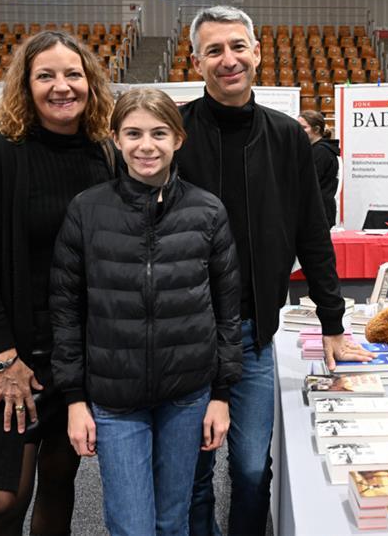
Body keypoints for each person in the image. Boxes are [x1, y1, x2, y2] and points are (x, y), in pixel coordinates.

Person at [176, 5, 372, 536]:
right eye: (214, 50)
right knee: (192, 468)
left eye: (238, 46)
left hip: (253, 333)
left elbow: (312, 232)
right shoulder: (176, 133)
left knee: (248, 466)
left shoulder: (288, 137)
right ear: (197, 62)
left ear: (257, 53)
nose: (228, 59)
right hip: (184, 333)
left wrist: (332, 321)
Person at [50, 88, 242, 535]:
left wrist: (221, 395)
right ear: (116, 138)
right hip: (115, 400)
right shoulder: (86, 209)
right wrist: (75, 400)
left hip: (188, 395)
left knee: (173, 521)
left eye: (158, 133)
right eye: (133, 133)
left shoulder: (207, 210)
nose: (146, 145)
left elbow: (226, 309)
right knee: (132, 526)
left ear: (178, 138)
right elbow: (65, 310)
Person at [0, 31, 115, 534]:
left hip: (76, 354)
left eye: (73, 74)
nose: (61, 86)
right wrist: (5, 359)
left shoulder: (104, 155)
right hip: (10, 352)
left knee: (59, 478)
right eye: (46, 75)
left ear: (90, 83)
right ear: (26, 84)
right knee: (6, 497)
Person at [298, 110, 340, 228]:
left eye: (303, 127)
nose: (299, 131)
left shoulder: (321, 152)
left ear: (316, 129)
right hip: (313, 211)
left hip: (318, 213)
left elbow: (308, 181)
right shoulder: (313, 150)